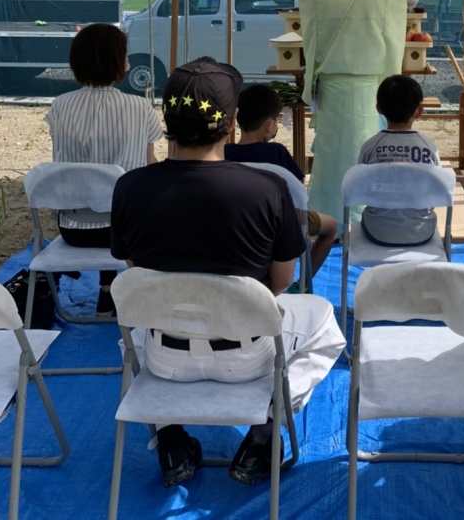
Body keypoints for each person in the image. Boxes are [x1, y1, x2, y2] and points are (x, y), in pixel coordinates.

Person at [110, 57, 344, 489]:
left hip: (166, 358)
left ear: (166, 120)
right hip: (248, 357)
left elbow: (136, 276)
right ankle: (266, 432)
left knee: (134, 320)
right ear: (232, 120)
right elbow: (281, 282)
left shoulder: (128, 188)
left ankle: (171, 438)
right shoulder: (267, 190)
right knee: (325, 323)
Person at [45, 23, 163, 314]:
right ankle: (125, 294)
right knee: (123, 199)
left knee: (100, 193)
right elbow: (151, 167)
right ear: (119, 62)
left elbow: (61, 162)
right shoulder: (140, 107)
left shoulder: (59, 107)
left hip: (73, 228)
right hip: (129, 233)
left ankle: (106, 290)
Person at [299, 0, 407, 224]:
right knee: (367, 152)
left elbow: (311, 49)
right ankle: (365, 217)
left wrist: (311, 90)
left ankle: (325, 218)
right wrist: (389, 92)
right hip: (370, 92)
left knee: (331, 159)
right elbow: (393, 50)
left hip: (332, 93)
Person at [224, 83, 338, 276]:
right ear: (269, 126)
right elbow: (298, 193)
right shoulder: (277, 152)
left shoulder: (225, 152)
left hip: (234, 218)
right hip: (282, 220)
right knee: (331, 227)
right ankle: (302, 282)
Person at [358, 74, 441, 246]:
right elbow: (436, 192)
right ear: (419, 111)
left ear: (378, 108)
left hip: (377, 230)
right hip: (421, 230)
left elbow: (362, 189)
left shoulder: (370, 147)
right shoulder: (429, 148)